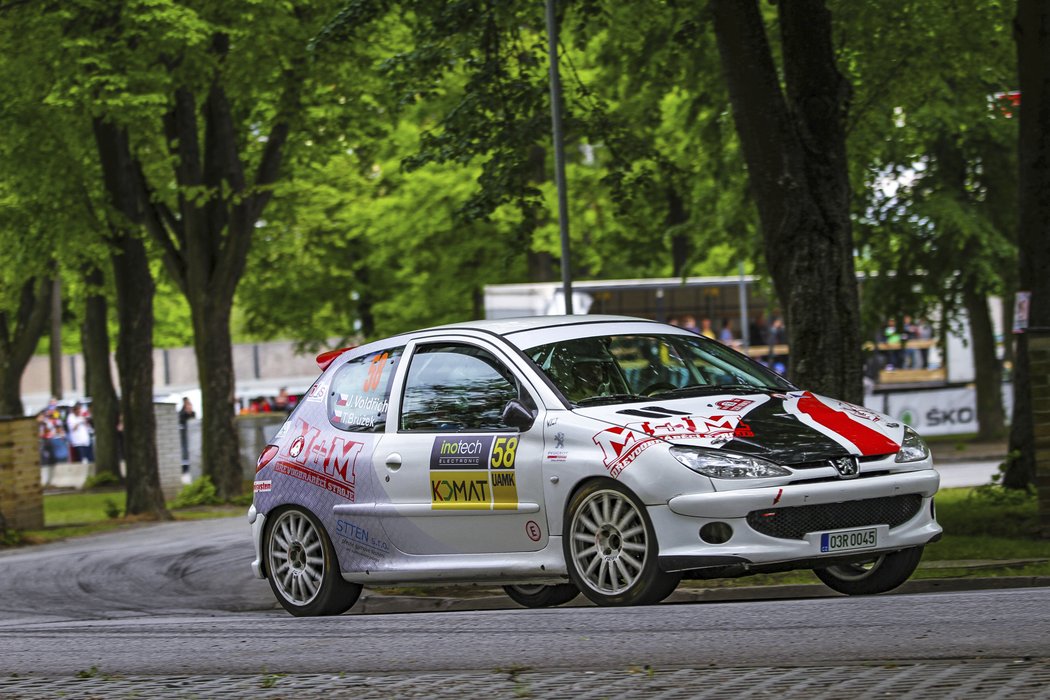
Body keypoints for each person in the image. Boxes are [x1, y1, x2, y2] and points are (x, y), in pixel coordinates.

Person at [178, 397, 195, 473]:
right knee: (185, 451)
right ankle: (185, 468)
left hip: (192, 435)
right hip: (185, 435)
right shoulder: (182, 413)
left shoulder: (193, 413)